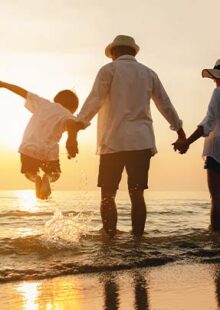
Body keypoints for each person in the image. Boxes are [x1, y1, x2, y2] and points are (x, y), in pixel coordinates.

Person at [70, 35, 186, 237]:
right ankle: (138, 242)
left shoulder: (109, 70)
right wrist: (180, 132)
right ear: (133, 51)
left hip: (113, 142)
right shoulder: (148, 73)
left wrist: (77, 127)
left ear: (114, 52)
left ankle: (110, 239)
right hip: (141, 142)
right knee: (137, 194)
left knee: (107, 194)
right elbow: (165, 104)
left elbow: (94, 101)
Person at [0, 81, 83, 199]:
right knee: (55, 174)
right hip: (49, 152)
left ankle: (36, 178)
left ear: (56, 99)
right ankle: (47, 178)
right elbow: (71, 124)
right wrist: (71, 139)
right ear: (73, 108)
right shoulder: (68, 115)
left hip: (28, 148)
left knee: (29, 172)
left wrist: (3, 84)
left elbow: (23, 92)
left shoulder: (43, 104)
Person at [173, 59, 220, 231]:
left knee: (216, 198)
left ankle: (215, 240)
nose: (214, 81)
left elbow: (207, 122)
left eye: (215, 77)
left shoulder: (218, 93)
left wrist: (187, 142)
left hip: (217, 151)